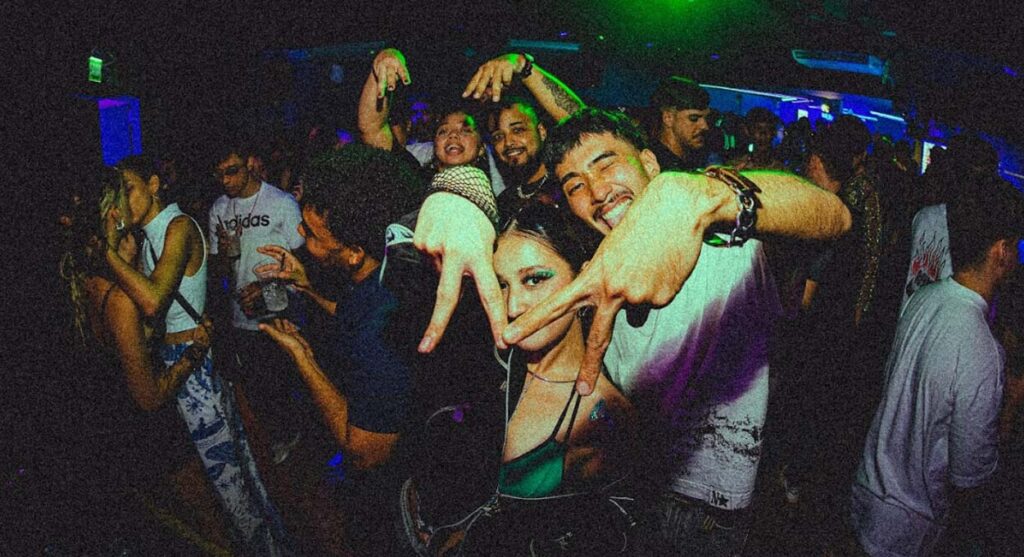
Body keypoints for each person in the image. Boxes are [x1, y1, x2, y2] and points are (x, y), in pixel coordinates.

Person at [409, 107, 852, 555]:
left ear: (651, 164)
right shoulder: (590, 274)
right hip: (634, 491)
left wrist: (705, 195)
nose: (597, 191)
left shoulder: (735, 255)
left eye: (606, 164)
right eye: (575, 185)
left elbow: (833, 216)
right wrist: (461, 198)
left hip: (708, 511)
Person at [400, 201, 636, 555]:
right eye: (501, 285)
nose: (513, 307)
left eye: (534, 279)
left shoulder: (600, 418)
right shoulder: (487, 360)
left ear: (585, 280)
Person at [102, 155, 287, 553]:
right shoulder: (148, 237)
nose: (121, 201)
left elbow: (153, 301)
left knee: (230, 480)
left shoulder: (179, 226)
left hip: (194, 368)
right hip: (180, 364)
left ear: (154, 185)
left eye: (128, 189)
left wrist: (106, 252)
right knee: (227, 477)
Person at [255, 145, 425, 554]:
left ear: (353, 252)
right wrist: (307, 286)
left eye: (313, 235)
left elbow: (364, 452)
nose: (301, 235)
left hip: (392, 496)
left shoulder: (382, 330)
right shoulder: (383, 276)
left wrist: (302, 357)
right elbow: (352, 310)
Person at [59, 170, 230, 551]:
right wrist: (195, 351)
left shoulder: (84, 280)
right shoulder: (119, 300)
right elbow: (150, 397)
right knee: (208, 522)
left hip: (118, 431)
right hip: (151, 434)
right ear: (113, 217)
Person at [850, 180, 1023, 556]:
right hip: (907, 527)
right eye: (1017, 246)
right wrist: (1011, 404)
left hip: (867, 491)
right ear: (1000, 251)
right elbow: (969, 475)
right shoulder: (982, 349)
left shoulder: (924, 297)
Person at [207, 140, 307, 462]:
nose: (226, 181)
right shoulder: (219, 209)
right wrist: (225, 256)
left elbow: (303, 263)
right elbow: (218, 272)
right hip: (242, 312)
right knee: (257, 384)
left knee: (285, 380)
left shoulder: (281, 203)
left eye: (232, 171)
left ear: (250, 163)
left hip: (281, 309)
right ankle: (278, 437)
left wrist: (268, 288)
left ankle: (295, 438)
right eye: (219, 174)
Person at [357, 47, 506, 192]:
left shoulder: (500, 191)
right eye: (443, 131)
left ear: (481, 148)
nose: (453, 135)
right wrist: (383, 63)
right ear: (435, 145)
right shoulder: (415, 180)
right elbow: (372, 128)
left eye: (465, 130)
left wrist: (517, 62)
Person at [461, 52, 584, 220]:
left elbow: (581, 123)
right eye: (498, 137)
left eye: (518, 130)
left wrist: (524, 66)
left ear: (541, 131)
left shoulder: (566, 182)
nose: (508, 142)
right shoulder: (503, 202)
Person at [648, 76, 713, 171]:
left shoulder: (694, 160)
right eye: (694, 118)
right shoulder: (653, 165)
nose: (705, 126)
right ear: (668, 118)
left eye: (707, 118)